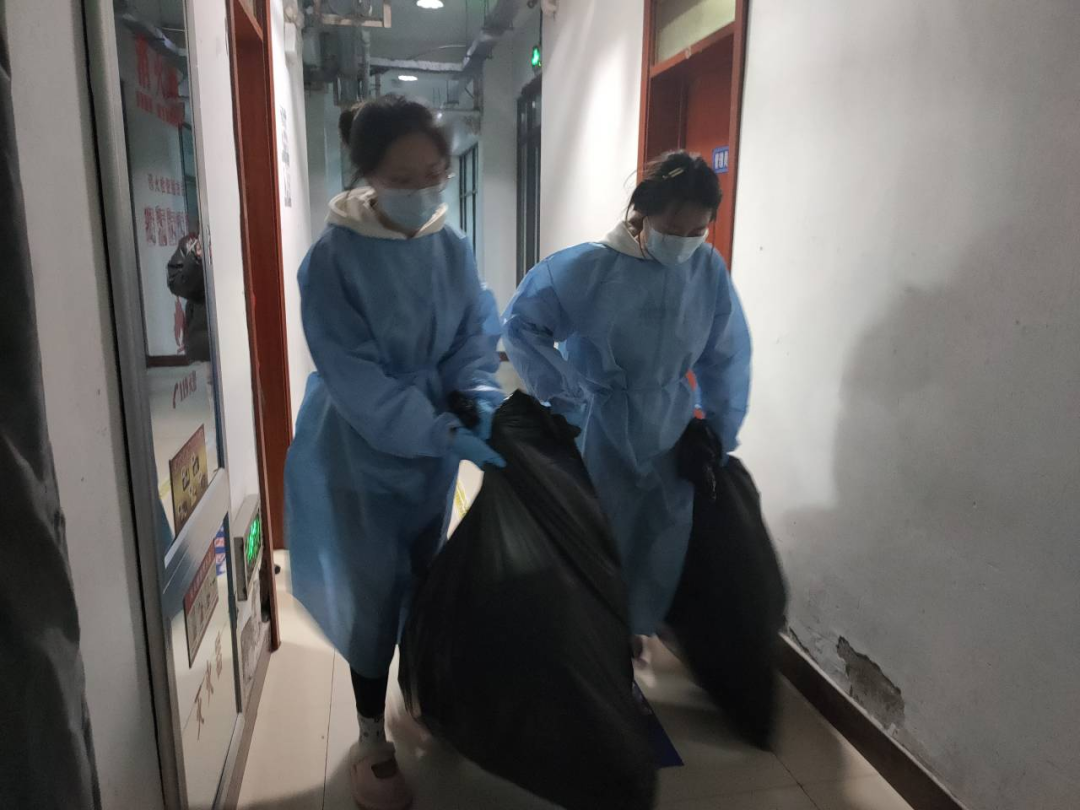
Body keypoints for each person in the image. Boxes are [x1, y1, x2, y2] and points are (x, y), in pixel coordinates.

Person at [285, 95, 504, 810]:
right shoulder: (333, 260)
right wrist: (435, 429)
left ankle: (422, 695)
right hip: (357, 449)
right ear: (368, 174)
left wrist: (475, 395)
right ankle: (369, 735)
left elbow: (473, 332)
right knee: (371, 595)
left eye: (435, 174)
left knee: (426, 579)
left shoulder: (450, 244)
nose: (424, 192)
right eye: (404, 179)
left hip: (430, 455)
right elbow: (356, 377)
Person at [502, 150, 751, 642]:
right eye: (673, 229)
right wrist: (569, 395)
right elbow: (522, 325)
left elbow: (725, 355)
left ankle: (632, 633)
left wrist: (719, 429)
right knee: (596, 534)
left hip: (669, 427)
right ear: (643, 212)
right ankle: (591, 639)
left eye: (697, 231)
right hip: (599, 426)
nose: (684, 242)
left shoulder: (706, 269)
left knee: (659, 540)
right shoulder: (588, 268)